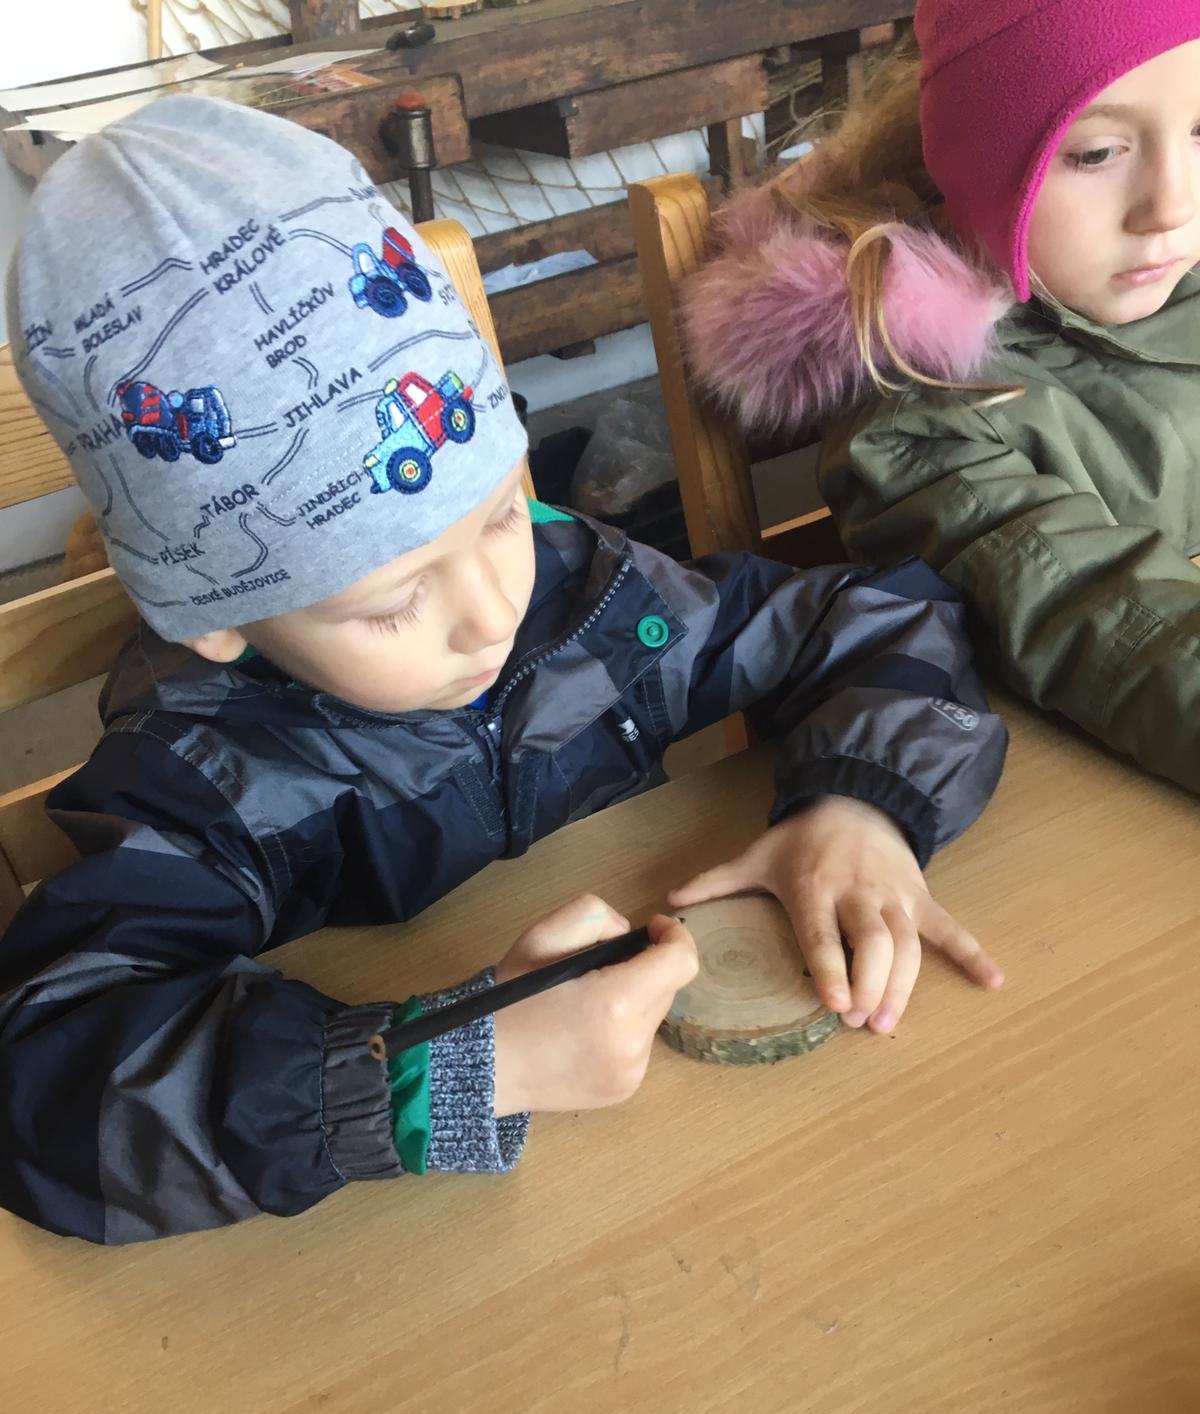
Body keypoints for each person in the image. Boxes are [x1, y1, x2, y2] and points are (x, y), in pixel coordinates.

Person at [0, 94, 1005, 1247]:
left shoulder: (589, 598)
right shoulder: (204, 776)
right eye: (394, 602)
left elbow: (878, 624)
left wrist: (860, 806)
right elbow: (47, 1084)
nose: (493, 613)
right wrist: (442, 1070)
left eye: (496, 517)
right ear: (215, 618)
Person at [684, 0, 1200, 794]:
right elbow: (1092, 611)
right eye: (1096, 152)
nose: (1172, 204)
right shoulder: (924, 421)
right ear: (980, 165)